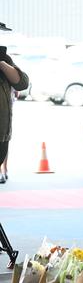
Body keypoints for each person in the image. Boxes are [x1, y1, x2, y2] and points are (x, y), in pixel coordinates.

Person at [1, 22, 29, 184]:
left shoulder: (4, 59)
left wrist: (3, 64)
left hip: (2, 133)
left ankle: (4, 169)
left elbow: (22, 83)